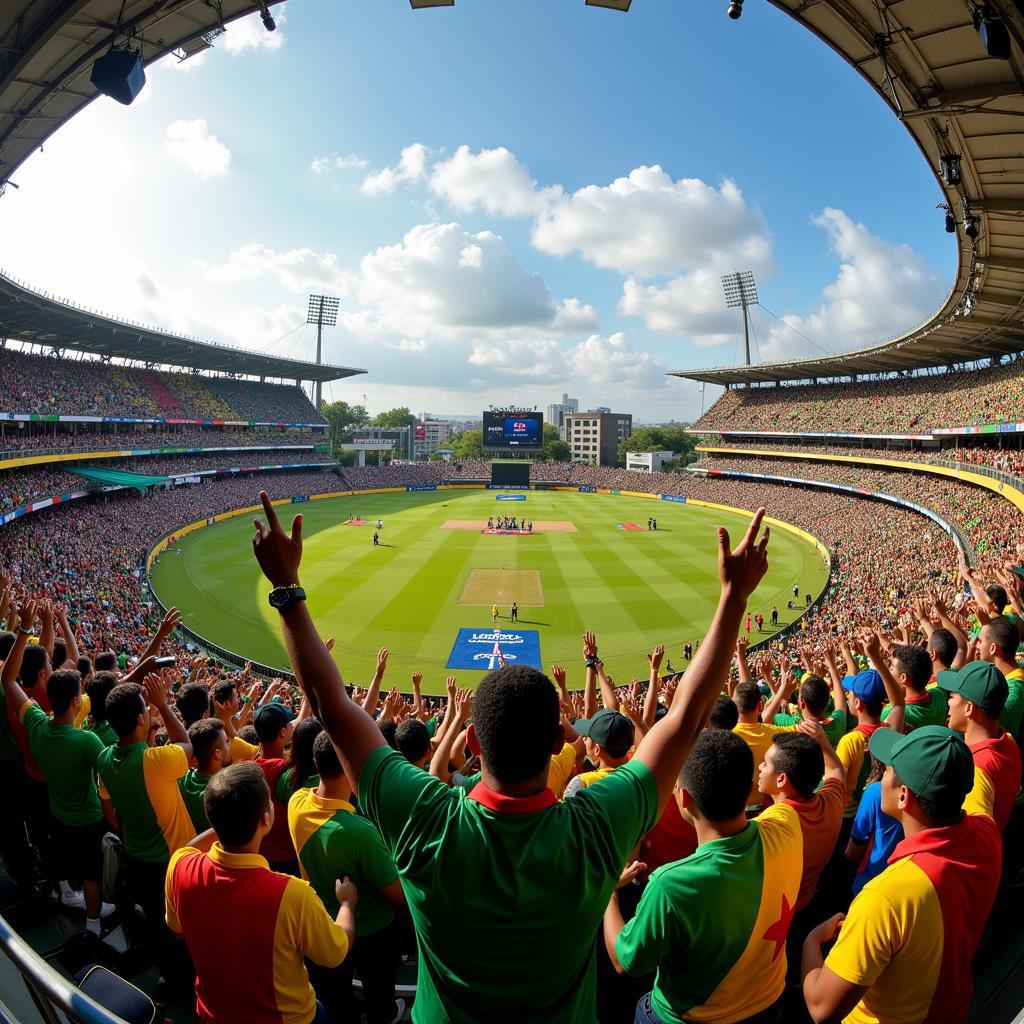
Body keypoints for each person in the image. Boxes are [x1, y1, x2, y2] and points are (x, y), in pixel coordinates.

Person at [250, 490, 771, 1023]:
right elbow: (684, 719)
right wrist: (733, 597)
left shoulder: (426, 818)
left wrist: (287, 589)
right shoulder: (596, 825)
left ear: (471, 742)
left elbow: (331, 708)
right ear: (557, 743)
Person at [802, 726, 1003, 1024]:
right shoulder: (987, 832)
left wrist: (811, 940)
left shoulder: (885, 897)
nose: (880, 776)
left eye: (886, 771)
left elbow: (821, 1007)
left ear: (903, 796)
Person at [606, 729, 802, 1024]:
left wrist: (609, 891)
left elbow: (625, 962)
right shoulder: (787, 824)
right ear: (750, 788)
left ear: (684, 799)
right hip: (770, 1003)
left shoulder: (670, 885)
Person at [166, 762, 355, 1024]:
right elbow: (335, 954)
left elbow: (177, 929)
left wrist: (223, 819)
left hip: (213, 1014)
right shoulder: (292, 894)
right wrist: (346, 904)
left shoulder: (179, 867)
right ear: (265, 819)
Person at [1, 598, 114, 931]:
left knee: (57, 851)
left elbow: (8, 681)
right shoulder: (86, 739)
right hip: (88, 817)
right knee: (92, 871)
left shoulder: (35, 721)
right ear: (78, 701)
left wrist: (23, 629)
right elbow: (108, 772)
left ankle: (63, 889)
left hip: (55, 808)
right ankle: (93, 926)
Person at [288, 733, 406, 1024]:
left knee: (336, 997)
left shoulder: (297, 802)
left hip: (324, 922)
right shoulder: (360, 833)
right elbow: (398, 895)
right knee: (379, 994)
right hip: (372, 930)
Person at [96, 674, 193, 985]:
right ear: (141, 719)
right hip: (173, 862)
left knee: (157, 922)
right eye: (147, 712)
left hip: (137, 858)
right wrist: (163, 704)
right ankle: (185, 976)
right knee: (182, 924)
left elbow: (110, 813)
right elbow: (186, 744)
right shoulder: (156, 760)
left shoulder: (104, 758)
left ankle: (168, 974)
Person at [757, 721, 845, 914]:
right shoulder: (832, 803)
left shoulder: (767, 828)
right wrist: (822, 741)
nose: (760, 766)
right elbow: (837, 770)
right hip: (809, 903)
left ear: (782, 779)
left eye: (766, 763)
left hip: (776, 917)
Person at [944, 661, 1021, 831]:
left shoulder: (974, 772)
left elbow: (975, 840)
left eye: (951, 696)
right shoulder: (1007, 741)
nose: (948, 703)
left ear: (969, 708)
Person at [563, 709, 634, 798]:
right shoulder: (638, 778)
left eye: (587, 737)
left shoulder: (583, 783)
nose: (583, 739)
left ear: (597, 749)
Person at [179, 718, 231, 835]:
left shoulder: (182, 780)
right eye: (227, 742)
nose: (230, 745)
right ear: (217, 754)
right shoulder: (221, 795)